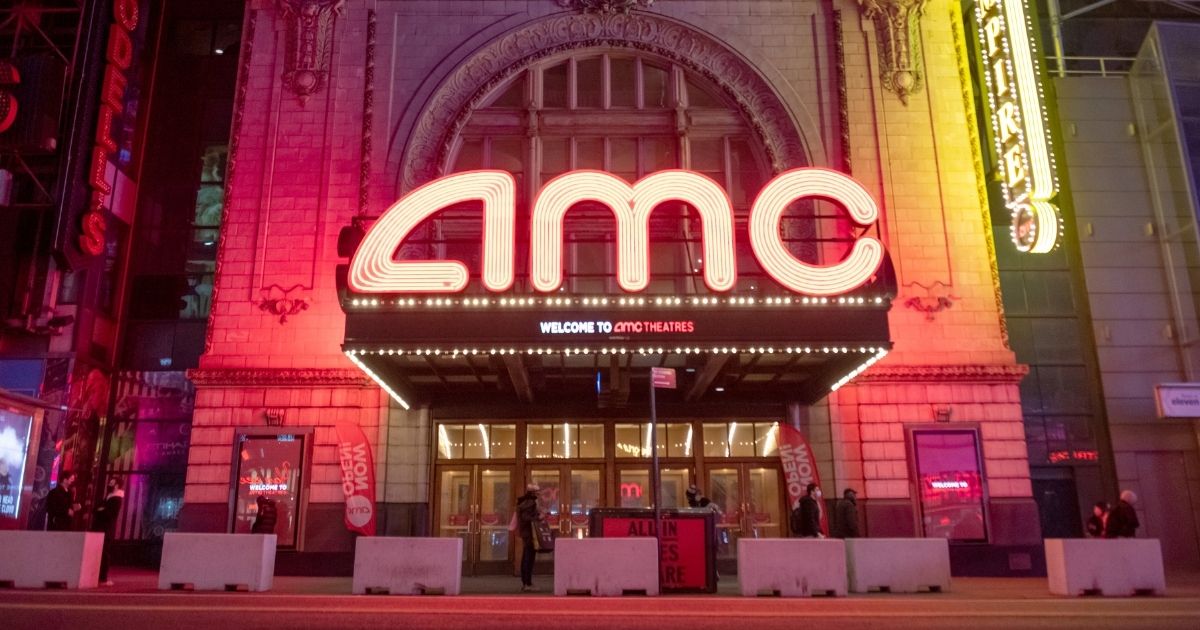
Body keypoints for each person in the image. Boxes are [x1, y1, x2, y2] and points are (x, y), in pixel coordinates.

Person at [90, 477, 124, 586]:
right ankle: (96, 575)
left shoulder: (116, 499)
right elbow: (95, 509)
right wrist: (100, 510)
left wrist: (101, 510)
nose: (109, 484)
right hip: (100, 527)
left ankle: (103, 576)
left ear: (117, 485)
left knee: (104, 552)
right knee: (97, 551)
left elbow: (109, 514)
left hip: (106, 528)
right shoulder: (108, 497)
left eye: (112, 483)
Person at [516, 483, 542, 592]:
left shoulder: (523, 502)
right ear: (533, 493)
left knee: (526, 557)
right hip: (530, 534)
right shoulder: (530, 503)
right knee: (529, 558)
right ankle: (527, 583)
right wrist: (538, 517)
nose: (539, 494)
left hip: (525, 533)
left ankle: (526, 582)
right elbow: (527, 517)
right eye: (537, 492)